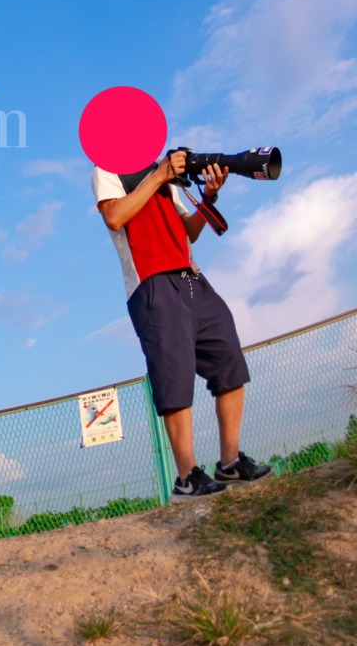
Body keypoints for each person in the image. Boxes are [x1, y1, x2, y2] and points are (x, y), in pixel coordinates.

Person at [94, 150, 272, 497]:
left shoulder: (163, 174)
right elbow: (115, 217)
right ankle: (187, 476)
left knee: (229, 361)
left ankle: (230, 463)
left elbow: (189, 231)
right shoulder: (107, 170)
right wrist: (159, 176)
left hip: (193, 277)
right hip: (152, 284)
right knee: (174, 375)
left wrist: (208, 197)